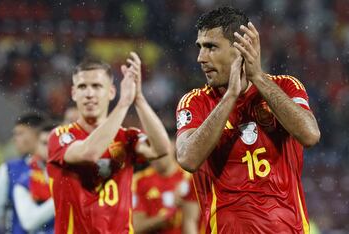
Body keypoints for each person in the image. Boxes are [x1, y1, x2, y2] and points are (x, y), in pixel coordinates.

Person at [175, 6, 320, 234]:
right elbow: (187, 159)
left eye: (211, 47)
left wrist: (258, 79)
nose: (201, 58)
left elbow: (310, 135)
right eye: (200, 47)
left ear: (240, 49)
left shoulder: (285, 86)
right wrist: (231, 96)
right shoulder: (195, 102)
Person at [47, 53, 171, 233]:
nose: (89, 94)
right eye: (82, 87)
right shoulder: (60, 136)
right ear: (74, 93)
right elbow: (89, 153)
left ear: (111, 92)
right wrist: (123, 104)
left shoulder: (126, 137)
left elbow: (161, 148)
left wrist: (138, 98)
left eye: (97, 86)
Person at [0, 112, 46, 234]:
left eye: (20, 133)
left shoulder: (57, 169)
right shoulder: (10, 169)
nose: (15, 139)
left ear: (36, 134)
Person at [132, 143, 200, 234]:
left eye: (158, 146)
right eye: (150, 148)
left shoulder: (192, 177)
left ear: (172, 146)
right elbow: (135, 227)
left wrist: (186, 204)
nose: (155, 154)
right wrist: (168, 216)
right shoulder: (139, 181)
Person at [13, 121, 56, 233]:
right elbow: (29, 222)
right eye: (44, 143)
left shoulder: (76, 177)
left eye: (55, 143)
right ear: (36, 145)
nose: (50, 148)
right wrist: (60, 196)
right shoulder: (25, 181)